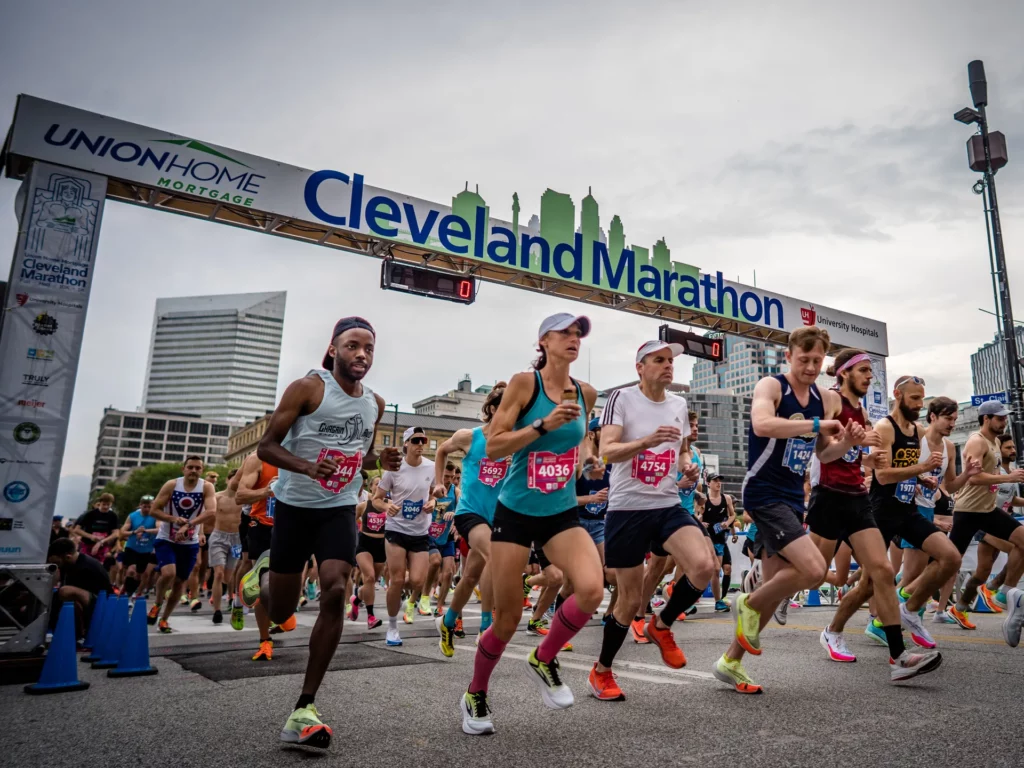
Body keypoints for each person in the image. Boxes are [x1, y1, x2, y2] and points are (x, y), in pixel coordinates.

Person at [241, 316, 400, 748]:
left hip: (338, 509)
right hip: (294, 507)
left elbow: (359, 456)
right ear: (333, 349)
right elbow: (267, 446)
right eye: (352, 346)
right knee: (279, 614)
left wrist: (378, 461)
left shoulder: (375, 403)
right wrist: (308, 466)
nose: (361, 355)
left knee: (333, 590)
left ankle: (304, 707)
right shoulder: (308, 388)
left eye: (368, 347)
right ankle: (264, 576)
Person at [459, 312, 600, 736]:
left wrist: (588, 458)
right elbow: (496, 448)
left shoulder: (586, 393)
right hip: (515, 512)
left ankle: (543, 657)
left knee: (591, 589)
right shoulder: (525, 384)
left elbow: (582, 437)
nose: (574, 339)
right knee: (505, 620)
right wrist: (542, 425)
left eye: (579, 334)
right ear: (544, 340)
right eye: (566, 333)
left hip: (559, 513)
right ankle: (475, 694)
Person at [712, 326, 857, 694]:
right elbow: (762, 424)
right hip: (763, 492)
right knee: (812, 569)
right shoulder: (772, 386)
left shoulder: (825, 399)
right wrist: (817, 424)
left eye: (816, 360)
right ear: (789, 355)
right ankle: (745, 600)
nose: (810, 366)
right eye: (803, 359)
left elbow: (823, 453)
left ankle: (730, 661)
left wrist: (846, 443)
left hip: (793, 497)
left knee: (776, 588)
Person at [807, 352, 947, 680]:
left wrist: (867, 458)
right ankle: (766, 589)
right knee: (813, 575)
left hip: (857, 498)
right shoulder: (831, 399)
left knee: (883, 571)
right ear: (844, 373)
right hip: (828, 497)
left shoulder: (862, 410)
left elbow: (855, 459)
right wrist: (853, 442)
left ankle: (898, 657)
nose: (870, 376)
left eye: (871, 370)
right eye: (863, 370)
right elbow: (824, 453)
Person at [587, 339, 708, 702]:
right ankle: (602, 670)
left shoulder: (679, 404)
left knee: (703, 567)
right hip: (627, 508)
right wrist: (647, 440)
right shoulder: (621, 399)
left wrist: (686, 463)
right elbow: (607, 451)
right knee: (628, 600)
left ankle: (661, 624)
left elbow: (682, 448)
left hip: (667, 503)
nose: (668, 366)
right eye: (659, 360)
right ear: (640, 367)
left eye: (671, 361)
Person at [824, 376, 964, 655]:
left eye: (922, 399)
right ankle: (833, 631)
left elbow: (909, 468)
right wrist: (921, 468)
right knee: (867, 586)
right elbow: (883, 475)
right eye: (914, 398)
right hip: (880, 514)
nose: (919, 404)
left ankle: (910, 609)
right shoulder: (885, 428)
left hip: (908, 511)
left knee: (951, 557)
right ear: (898, 395)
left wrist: (922, 477)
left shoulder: (918, 431)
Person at [435, 383, 510, 656]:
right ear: (491, 409)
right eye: (506, 408)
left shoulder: (514, 441)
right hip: (470, 512)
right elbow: (442, 450)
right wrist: (438, 484)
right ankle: (486, 626)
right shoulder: (470, 437)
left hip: (498, 515)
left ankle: (446, 621)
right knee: (493, 555)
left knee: (469, 578)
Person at [947, 400, 1024, 646]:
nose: (1003, 422)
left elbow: (1009, 496)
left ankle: (1003, 594)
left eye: (1005, 418)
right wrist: (1008, 476)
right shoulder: (976, 440)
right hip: (968, 513)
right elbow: (973, 478)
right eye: (999, 418)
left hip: (987, 511)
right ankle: (909, 599)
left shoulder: (994, 443)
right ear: (986, 418)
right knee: (947, 566)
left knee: (1018, 544)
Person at [374, 426, 436, 645]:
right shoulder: (394, 469)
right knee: (398, 578)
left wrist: (433, 502)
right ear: (406, 444)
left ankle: (396, 591)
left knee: (418, 580)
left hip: (420, 531)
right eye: (416, 440)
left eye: (423, 441)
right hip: (396, 529)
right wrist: (386, 507)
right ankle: (392, 627)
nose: (420, 445)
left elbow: (434, 493)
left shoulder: (432, 467)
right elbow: (376, 499)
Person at [147, 457, 218, 632]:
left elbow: (211, 511)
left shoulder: (206, 487)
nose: (193, 470)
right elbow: (154, 510)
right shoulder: (172, 485)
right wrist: (173, 519)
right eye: (190, 467)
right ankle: (157, 603)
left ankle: (164, 619)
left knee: (180, 582)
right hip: (166, 538)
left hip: (189, 541)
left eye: (197, 468)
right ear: (183, 469)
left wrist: (189, 525)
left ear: (201, 470)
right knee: (169, 573)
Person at [234, 452, 284, 649]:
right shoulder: (260, 458)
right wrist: (267, 490)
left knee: (288, 577)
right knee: (263, 576)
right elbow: (239, 495)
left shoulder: (306, 455)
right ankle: (264, 639)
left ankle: (280, 614)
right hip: (262, 525)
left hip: (292, 525)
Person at [979, 435, 1024, 608]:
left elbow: (1011, 499)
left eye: (1013, 447)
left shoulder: (1012, 470)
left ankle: (963, 604)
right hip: (987, 520)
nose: (1013, 450)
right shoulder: (995, 471)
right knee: (1019, 547)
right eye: (1008, 448)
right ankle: (1002, 593)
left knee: (982, 571)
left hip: (1004, 522)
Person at [46, 537, 113, 640]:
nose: (57, 566)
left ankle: (80, 632)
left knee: (66, 592)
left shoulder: (86, 567)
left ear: (68, 557)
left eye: (57, 563)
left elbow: (70, 596)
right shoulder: (69, 563)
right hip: (89, 601)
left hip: (102, 605)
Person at [350, 476, 386, 629]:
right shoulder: (363, 506)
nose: (380, 487)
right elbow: (349, 520)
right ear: (371, 488)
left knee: (371, 582)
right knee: (369, 577)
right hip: (364, 544)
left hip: (381, 546)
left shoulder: (389, 506)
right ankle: (371, 616)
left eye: (383, 485)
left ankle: (356, 599)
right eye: (377, 484)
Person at [207, 468, 242, 624]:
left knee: (229, 577)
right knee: (219, 574)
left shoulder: (244, 499)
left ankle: (229, 595)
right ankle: (217, 611)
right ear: (228, 480)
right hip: (218, 538)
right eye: (234, 478)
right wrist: (200, 533)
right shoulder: (217, 497)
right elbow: (205, 514)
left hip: (237, 540)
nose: (236, 482)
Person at [426, 463, 459, 616]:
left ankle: (439, 606)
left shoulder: (456, 491)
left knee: (448, 573)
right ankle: (419, 596)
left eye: (452, 477)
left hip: (447, 536)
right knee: (431, 567)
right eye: (446, 476)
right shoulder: (431, 489)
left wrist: (455, 518)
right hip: (430, 534)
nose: (449, 480)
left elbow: (463, 507)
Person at [702, 473, 736, 612]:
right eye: (715, 481)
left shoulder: (726, 498)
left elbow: (732, 515)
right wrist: (700, 522)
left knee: (718, 571)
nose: (718, 483)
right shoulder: (704, 500)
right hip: (706, 538)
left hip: (720, 539)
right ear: (708, 483)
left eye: (719, 481)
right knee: (712, 569)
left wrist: (727, 523)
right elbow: (696, 515)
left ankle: (718, 601)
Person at [119, 495, 158, 599]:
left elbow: (160, 530)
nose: (147, 509)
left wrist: (146, 531)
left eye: (149, 507)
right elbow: (122, 533)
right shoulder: (132, 516)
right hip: (132, 547)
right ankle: (127, 593)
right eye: (144, 506)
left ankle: (130, 591)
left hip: (146, 550)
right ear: (140, 505)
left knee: (139, 575)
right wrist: (134, 532)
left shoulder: (156, 516)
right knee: (131, 570)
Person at [72, 493, 120, 572]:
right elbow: (76, 529)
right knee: (84, 566)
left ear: (111, 504)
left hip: (102, 546)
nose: (106, 507)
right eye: (104, 504)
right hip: (87, 544)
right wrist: (91, 536)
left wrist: (102, 541)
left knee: (98, 568)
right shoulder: (90, 514)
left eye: (108, 504)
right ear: (100, 503)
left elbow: (116, 533)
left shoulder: (113, 516)